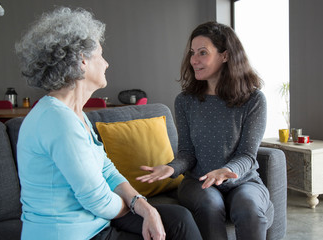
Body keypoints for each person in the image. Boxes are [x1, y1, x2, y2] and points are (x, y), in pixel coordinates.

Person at [15, 7, 202, 240]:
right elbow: (98, 200)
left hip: (94, 221)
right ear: (82, 60)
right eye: (101, 55)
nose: (106, 64)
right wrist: (139, 209)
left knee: (178, 219)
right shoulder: (57, 120)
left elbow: (106, 169)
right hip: (71, 234)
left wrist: (145, 207)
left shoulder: (76, 115)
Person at [137, 21, 271, 240]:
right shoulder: (185, 101)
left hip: (244, 181)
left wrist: (226, 170)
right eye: (192, 53)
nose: (194, 60)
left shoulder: (254, 100)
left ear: (225, 56)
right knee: (210, 204)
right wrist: (172, 169)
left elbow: (247, 154)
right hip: (198, 182)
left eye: (202, 53)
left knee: (248, 206)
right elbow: (187, 154)